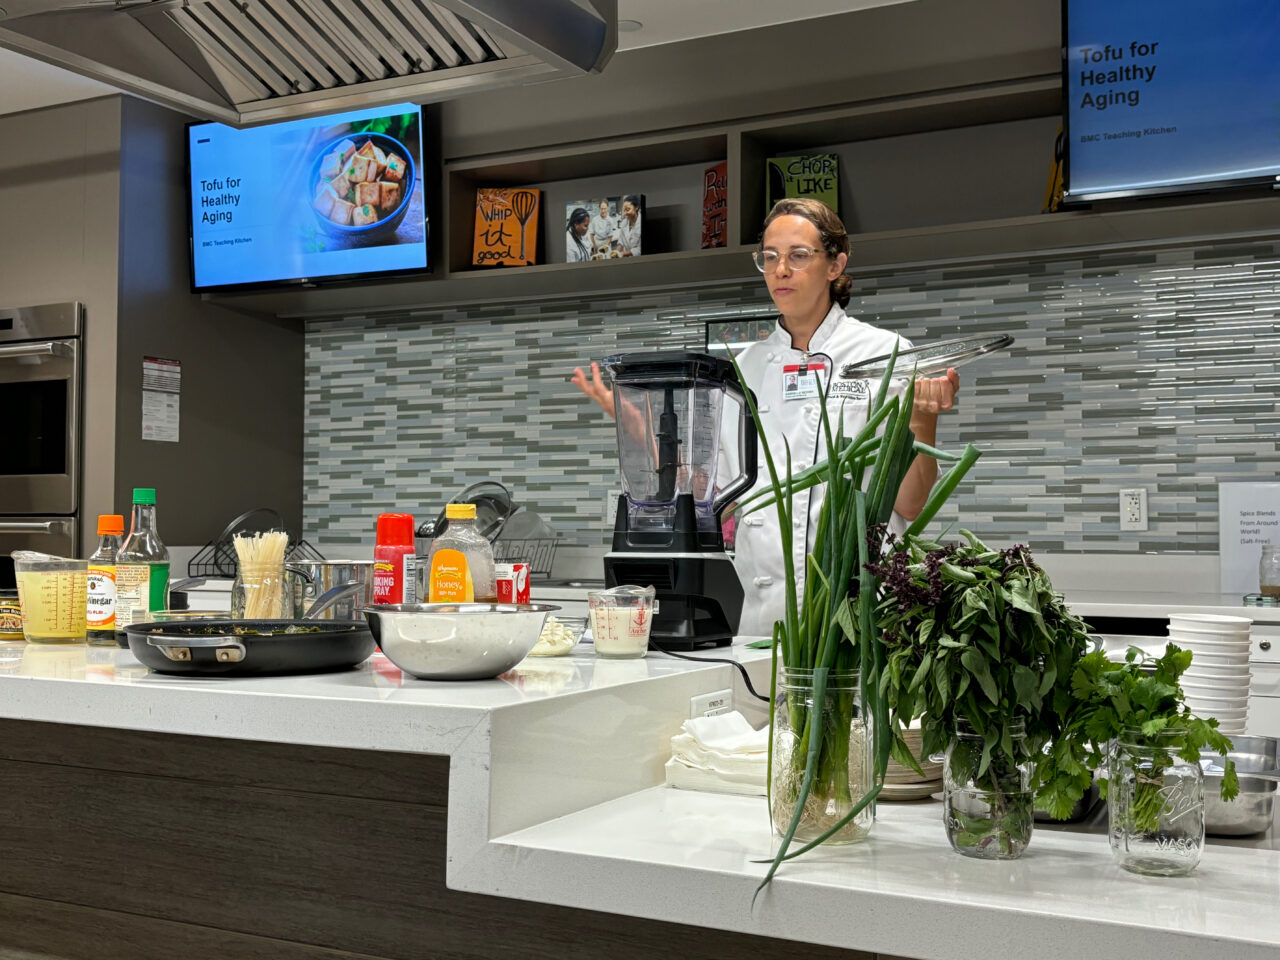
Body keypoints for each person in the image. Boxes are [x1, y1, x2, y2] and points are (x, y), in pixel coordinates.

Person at [572, 198, 959, 636]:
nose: (780, 270)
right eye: (770, 257)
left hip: (860, 608)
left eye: (798, 256)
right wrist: (641, 430)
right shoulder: (743, 368)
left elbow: (909, 504)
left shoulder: (885, 355)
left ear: (836, 265)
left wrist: (924, 420)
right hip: (762, 614)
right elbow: (712, 497)